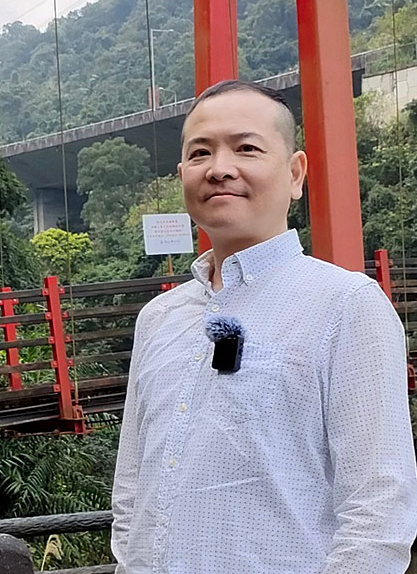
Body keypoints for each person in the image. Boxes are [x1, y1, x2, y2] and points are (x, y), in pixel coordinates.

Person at [111, 79, 417, 574]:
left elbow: (379, 511)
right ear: (182, 174)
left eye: (246, 148)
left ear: (295, 174)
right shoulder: (160, 318)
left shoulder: (346, 306)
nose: (219, 168)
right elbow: (132, 491)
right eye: (200, 153)